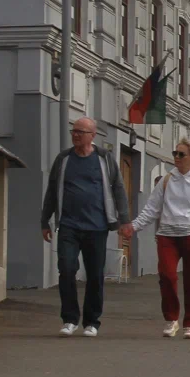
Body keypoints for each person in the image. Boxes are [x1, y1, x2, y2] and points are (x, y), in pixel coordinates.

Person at [41, 117, 133, 337]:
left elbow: (119, 189)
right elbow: (52, 191)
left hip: (97, 227)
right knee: (67, 268)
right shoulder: (63, 159)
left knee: (94, 275)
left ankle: (92, 322)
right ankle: (70, 319)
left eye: (80, 132)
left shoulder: (104, 159)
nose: (75, 135)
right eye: (74, 131)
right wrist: (45, 220)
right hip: (68, 226)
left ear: (92, 136)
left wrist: (125, 219)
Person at [132, 138, 190, 340]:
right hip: (167, 236)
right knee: (167, 276)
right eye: (175, 153)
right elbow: (152, 208)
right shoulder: (167, 180)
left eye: (181, 154)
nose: (176, 158)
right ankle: (171, 319)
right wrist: (133, 226)